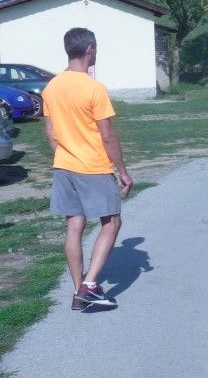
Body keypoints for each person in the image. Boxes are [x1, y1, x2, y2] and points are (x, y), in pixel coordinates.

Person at [42, 27, 133, 311]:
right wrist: (122, 171)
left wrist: (66, 155)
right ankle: (90, 286)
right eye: (96, 50)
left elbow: (50, 133)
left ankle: (78, 289)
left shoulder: (51, 87)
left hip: (63, 165)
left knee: (75, 224)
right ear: (89, 50)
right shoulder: (94, 88)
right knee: (112, 222)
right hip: (92, 166)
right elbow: (107, 135)